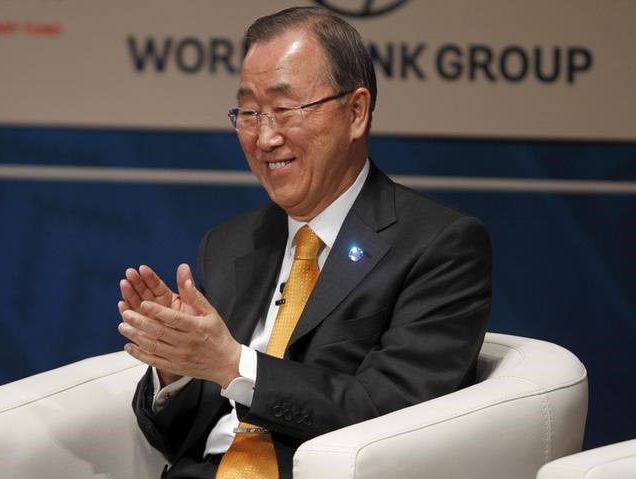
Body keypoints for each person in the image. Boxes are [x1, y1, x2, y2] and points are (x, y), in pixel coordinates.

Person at [117, 6, 491, 479]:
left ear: (355, 112)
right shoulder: (231, 244)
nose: (265, 137)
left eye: (284, 109)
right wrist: (178, 366)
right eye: (249, 112)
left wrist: (233, 364)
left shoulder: (440, 245)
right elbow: (180, 439)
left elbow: (394, 415)